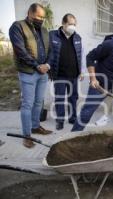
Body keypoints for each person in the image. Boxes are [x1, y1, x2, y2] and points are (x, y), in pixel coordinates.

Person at [9, 3, 53, 148]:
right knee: (27, 103)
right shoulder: (18, 27)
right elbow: (20, 51)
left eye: (43, 17)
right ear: (30, 13)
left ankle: (35, 126)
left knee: (39, 102)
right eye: (38, 16)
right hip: (28, 72)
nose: (41, 19)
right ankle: (26, 135)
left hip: (43, 73)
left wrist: (47, 65)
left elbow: (51, 50)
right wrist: (37, 66)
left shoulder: (45, 31)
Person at [48, 13, 84, 130]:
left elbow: (81, 54)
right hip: (60, 74)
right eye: (70, 24)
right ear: (63, 24)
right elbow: (49, 53)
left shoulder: (77, 37)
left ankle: (72, 117)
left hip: (74, 75)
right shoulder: (53, 36)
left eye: (74, 24)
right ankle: (60, 120)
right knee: (60, 98)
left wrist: (82, 71)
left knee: (73, 97)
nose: (72, 26)